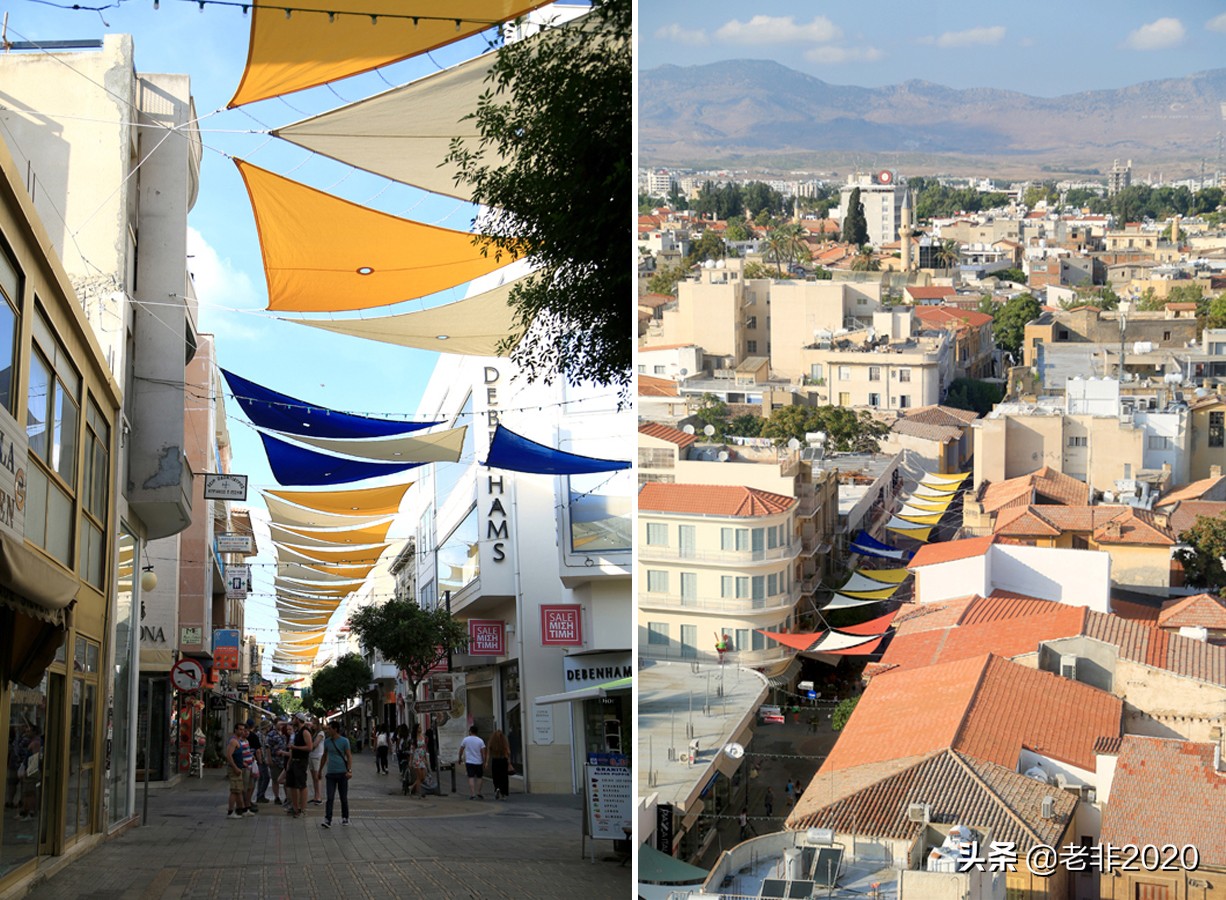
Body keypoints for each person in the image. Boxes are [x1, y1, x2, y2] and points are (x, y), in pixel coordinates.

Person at [318, 721, 352, 828]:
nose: (327, 731)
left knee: (343, 797)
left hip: (342, 773)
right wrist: (320, 770)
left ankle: (345, 817)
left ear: (335, 729)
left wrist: (349, 770)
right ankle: (328, 819)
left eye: (329, 729)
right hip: (331, 773)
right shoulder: (327, 742)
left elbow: (349, 756)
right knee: (330, 797)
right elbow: (324, 756)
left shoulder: (344, 741)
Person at [224, 723, 254, 819]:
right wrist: (235, 768)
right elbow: (229, 756)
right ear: (235, 730)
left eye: (243, 729)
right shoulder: (233, 741)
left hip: (239, 768)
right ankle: (230, 812)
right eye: (239, 729)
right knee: (234, 791)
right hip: (234, 769)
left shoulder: (238, 740)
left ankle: (243, 809)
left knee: (238, 790)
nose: (241, 731)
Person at [285, 713, 311, 818]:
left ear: (298, 719)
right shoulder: (297, 731)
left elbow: (309, 747)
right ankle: (295, 808)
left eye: (294, 718)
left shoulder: (305, 731)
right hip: (294, 761)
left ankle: (302, 809)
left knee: (301, 785)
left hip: (301, 761)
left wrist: (295, 747)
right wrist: (289, 762)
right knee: (292, 785)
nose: (293, 720)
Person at [457, 725, 487, 800]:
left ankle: (473, 793)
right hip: (478, 762)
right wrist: (484, 762)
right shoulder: (480, 741)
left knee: (471, 777)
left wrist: (460, 758)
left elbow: (461, 750)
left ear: (470, 731)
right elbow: (483, 753)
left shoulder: (466, 740)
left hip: (469, 761)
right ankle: (479, 792)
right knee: (479, 777)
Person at [264, 718, 287, 805]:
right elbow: (267, 747)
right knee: (275, 779)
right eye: (280, 724)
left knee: (285, 779)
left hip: (284, 760)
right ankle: (277, 797)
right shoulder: (271, 734)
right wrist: (269, 758)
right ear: (275, 724)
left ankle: (287, 797)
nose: (281, 726)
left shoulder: (285, 733)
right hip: (275, 759)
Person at [488, 729, 513, 801]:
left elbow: (488, 752)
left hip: (495, 760)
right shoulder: (504, 742)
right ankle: (503, 794)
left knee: (496, 776)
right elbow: (508, 752)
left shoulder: (492, 742)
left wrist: (486, 762)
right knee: (504, 777)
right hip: (503, 761)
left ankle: (497, 788)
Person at [245, 719, 265, 808]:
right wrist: (260, 761)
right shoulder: (254, 736)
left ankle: (246, 802)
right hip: (252, 763)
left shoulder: (242, 738)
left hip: (246, 762)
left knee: (247, 784)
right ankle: (247, 802)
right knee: (251, 784)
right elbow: (258, 750)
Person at [308, 719, 326, 804]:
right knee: (313, 777)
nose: (313, 725)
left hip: (317, 756)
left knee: (317, 777)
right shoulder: (312, 733)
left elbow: (315, 744)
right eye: (312, 724)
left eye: (314, 724)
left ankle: (319, 797)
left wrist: (308, 746)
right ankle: (315, 795)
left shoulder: (320, 733)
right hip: (311, 756)